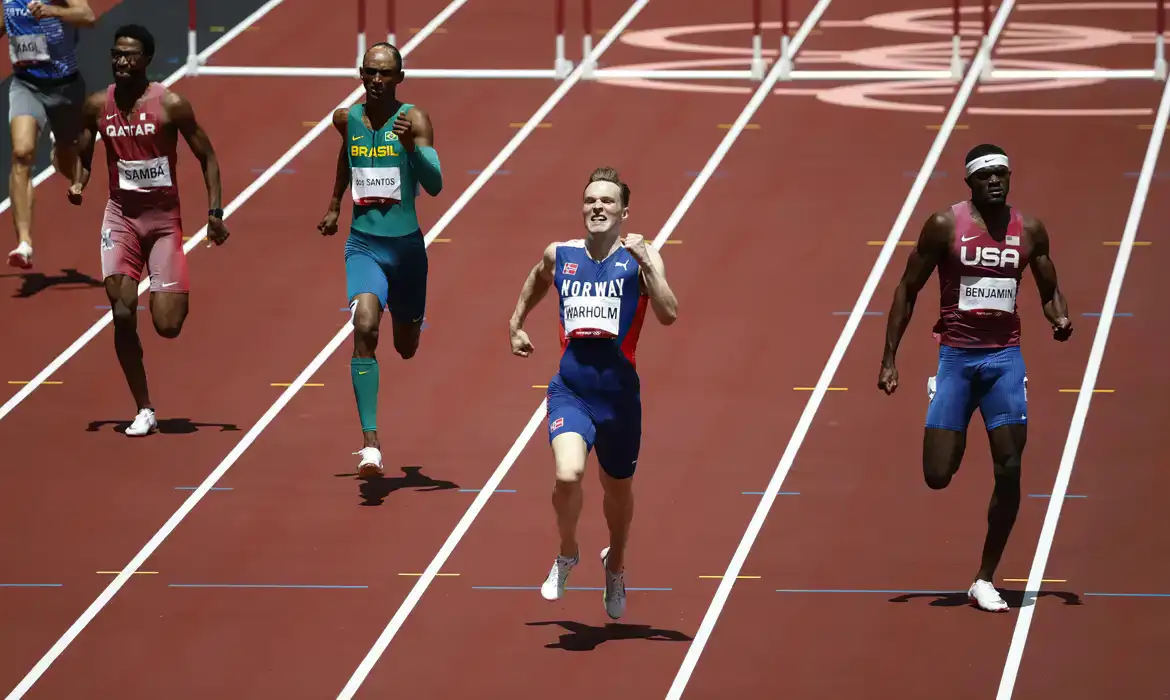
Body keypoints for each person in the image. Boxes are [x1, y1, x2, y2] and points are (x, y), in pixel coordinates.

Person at [877, 143, 1072, 612]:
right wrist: (889, 358)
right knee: (938, 475)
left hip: (1005, 359)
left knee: (1009, 466)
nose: (996, 182)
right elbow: (907, 289)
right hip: (957, 360)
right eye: (986, 177)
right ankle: (949, 408)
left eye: (1002, 174)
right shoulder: (945, 226)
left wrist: (1059, 319)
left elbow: (1050, 290)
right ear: (970, 183)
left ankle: (984, 577)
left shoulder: (1030, 231)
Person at [508, 167, 679, 620]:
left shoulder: (640, 257)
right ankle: (567, 555)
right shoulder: (561, 254)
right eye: (590, 201)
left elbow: (669, 313)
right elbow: (538, 276)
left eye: (607, 201)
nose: (597, 207)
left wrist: (646, 263)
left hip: (620, 400)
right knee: (568, 476)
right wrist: (517, 321)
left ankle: (616, 564)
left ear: (624, 210)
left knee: (616, 494)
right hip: (572, 390)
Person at [68, 24, 229, 436]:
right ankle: (144, 408)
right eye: (116, 53)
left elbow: (207, 156)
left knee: (167, 326)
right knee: (121, 312)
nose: (122, 60)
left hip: (162, 223)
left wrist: (215, 212)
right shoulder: (96, 105)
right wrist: (79, 181)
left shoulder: (170, 104)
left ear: (147, 60)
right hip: (120, 217)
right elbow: (85, 150)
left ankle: (170, 291)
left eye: (131, 55)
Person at [317, 42, 443, 478]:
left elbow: (436, 185)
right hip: (363, 245)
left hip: (406, 251)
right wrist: (334, 204)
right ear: (360, 73)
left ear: (399, 78)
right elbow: (346, 155)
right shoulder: (346, 118)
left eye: (385, 73)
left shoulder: (416, 120)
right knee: (364, 325)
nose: (376, 80)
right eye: (369, 71)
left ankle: (406, 320)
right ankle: (370, 444)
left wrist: (411, 148)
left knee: (405, 348)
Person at [4, 0, 95, 269]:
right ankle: (24, 243)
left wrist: (53, 11)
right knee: (21, 154)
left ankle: (62, 149)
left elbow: (87, 16)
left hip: (64, 87)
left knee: (69, 160)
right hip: (25, 84)